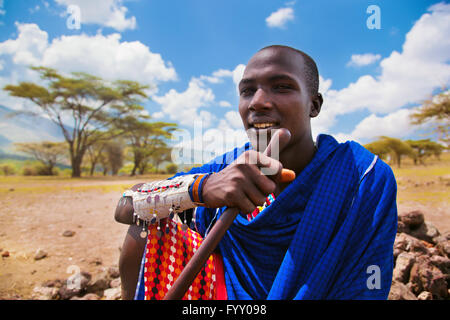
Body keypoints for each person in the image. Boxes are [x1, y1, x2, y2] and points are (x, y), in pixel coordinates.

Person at [115, 45, 398, 300]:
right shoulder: (227, 167)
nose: (257, 102)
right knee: (146, 227)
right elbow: (127, 205)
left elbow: (365, 285)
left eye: (282, 87)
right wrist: (202, 189)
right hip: (220, 296)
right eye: (247, 91)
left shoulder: (362, 175)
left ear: (314, 104)